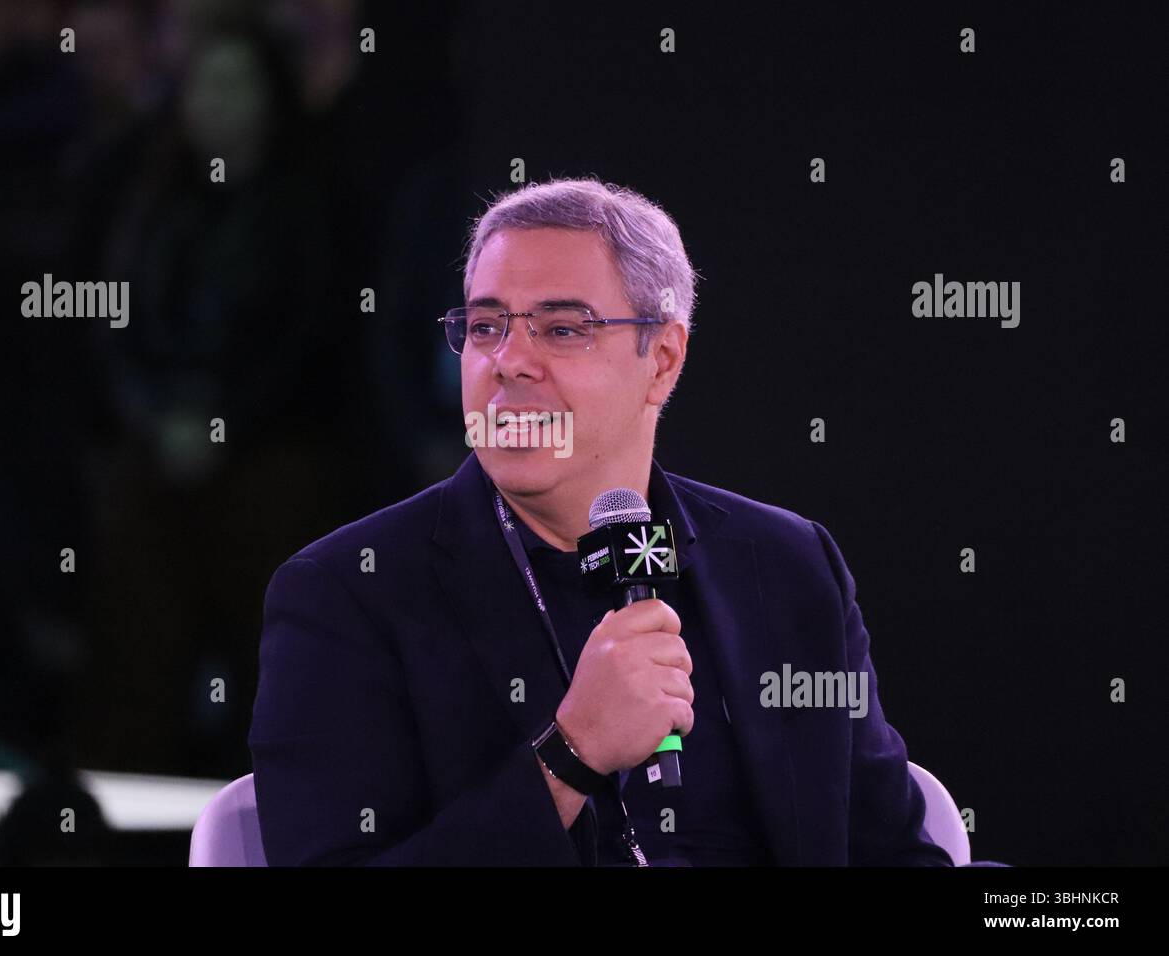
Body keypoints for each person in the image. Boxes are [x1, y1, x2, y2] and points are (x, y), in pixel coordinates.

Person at [248, 177, 954, 866]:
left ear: (663, 361)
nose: (509, 362)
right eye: (486, 326)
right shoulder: (348, 595)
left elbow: (890, 852)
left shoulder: (787, 565)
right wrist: (570, 755)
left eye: (561, 328)